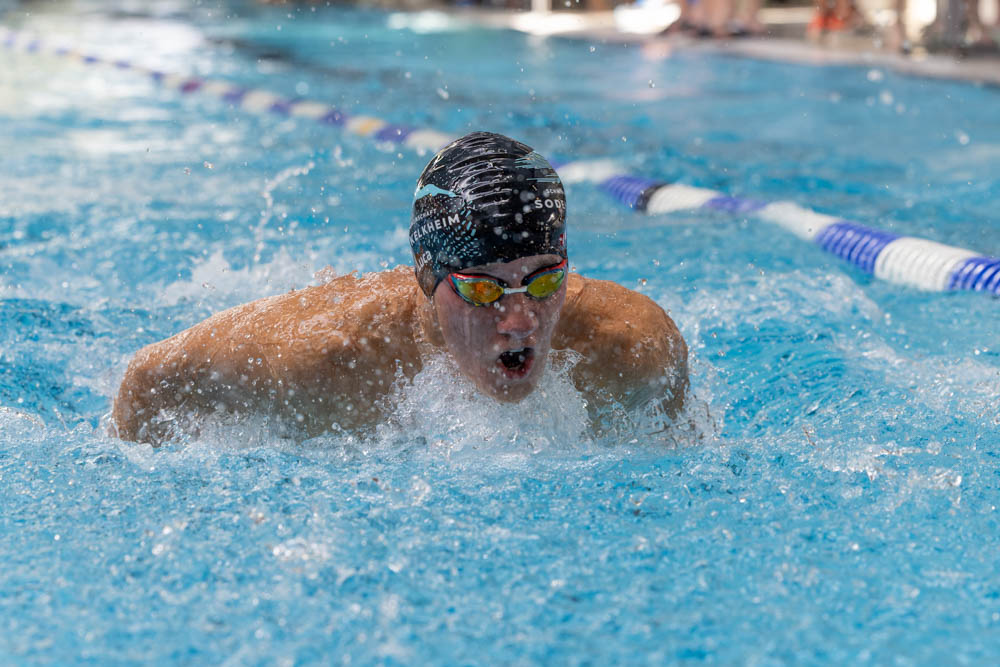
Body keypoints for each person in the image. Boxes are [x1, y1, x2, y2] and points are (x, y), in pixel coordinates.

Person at [112, 132, 689, 444]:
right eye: (483, 290)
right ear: (425, 276)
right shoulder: (325, 356)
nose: (520, 320)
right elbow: (148, 377)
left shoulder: (631, 345)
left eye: (543, 280)